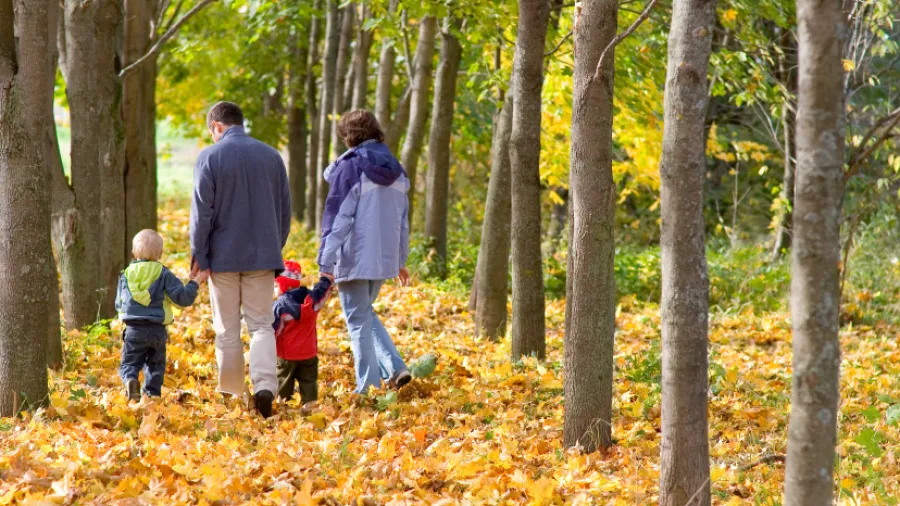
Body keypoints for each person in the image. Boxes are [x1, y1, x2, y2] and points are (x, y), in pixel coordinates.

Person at [190, 101, 291, 418]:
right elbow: (284, 212)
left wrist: (200, 256)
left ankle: (233, 396)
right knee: (262, 326)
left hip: (222, 258)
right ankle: (264, 389)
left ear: (216, 126)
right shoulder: (272, 157)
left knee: (227, 330)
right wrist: (274, 246)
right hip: (262, 255)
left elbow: (201, 214)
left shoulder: (209, 157)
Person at [318, 109, 413, 395]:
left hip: (354, 256)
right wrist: (399, 259)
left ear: (348, 136)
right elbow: (402, 219)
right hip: (383, 257)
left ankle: (368, 388)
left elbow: (338, 218)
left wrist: (326, 260)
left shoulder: (350, 168)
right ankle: (396, 369)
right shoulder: (397, 168)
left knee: (358, 320)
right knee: (364, 314)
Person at [116, 229, 205, 402]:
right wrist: (196, 282)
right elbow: (183, 298)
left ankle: (130, 380)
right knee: (155, 364)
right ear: (160, 253)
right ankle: (153, 395)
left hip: (133, 329)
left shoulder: (126, 274)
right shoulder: (164, 274)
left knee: (129, 363)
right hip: (157, 330)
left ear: (134, 252)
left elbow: (119, 303)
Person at [272, 261, 334, 404]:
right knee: (309, 381)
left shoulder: (279, 306)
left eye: (275, 285)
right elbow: (322, 291)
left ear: (284, 285)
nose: (274, 289)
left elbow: (274, 331)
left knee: (284, 380)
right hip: (309, 353)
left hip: (286, 355)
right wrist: (326, 279)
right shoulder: (311, 299)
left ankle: (283, 403)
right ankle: (309, 404)